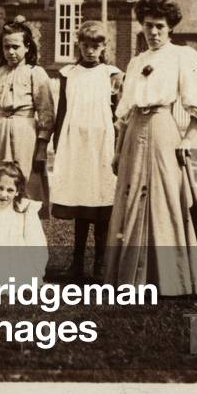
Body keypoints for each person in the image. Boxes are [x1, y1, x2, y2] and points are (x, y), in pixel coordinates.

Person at [104, 0, 197, 296]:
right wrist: (118, 151)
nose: (153, 33)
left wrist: (187, 138)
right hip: (133, 135)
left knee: (164, 199)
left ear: (170, 29)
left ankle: (167, 278)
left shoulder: (183, 56)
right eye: (147, 26)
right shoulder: (136, 61)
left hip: (162, 130)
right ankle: (127, 277)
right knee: (130, 199)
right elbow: (125, 111)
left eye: (159, 27)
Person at [50, 21, 123, 279]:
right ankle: (77, 263)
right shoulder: (68, 74)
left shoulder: (110, 74)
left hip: (101, 143)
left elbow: (118, 113)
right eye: (86, 45)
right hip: (76, 143)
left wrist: (117, 145)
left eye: (96, 46)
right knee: (81, 199)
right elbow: (62, 110)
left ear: (104, 47)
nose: (90, 50)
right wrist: (59, 143)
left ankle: (101, 265)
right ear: (78, 45)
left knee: (101, 197)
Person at [0, 16, 55, 217]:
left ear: (27, 47)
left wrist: (41, 149)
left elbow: (47, 113)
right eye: (6, 47)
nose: (11, 52)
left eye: (16, 46)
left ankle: (26, 227)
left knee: (26, 181)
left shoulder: (35, 73)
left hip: (25, 133)